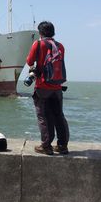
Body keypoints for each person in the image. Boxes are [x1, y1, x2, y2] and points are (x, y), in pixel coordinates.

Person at [26, 21, 70, 155]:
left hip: (42, 87)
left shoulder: (38, 44)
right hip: (57, 87)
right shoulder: (60, 46)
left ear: (40, 33)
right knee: (58, 116)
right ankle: (62, 146)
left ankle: (46, 146)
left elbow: (29, 61)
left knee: (43, 117)